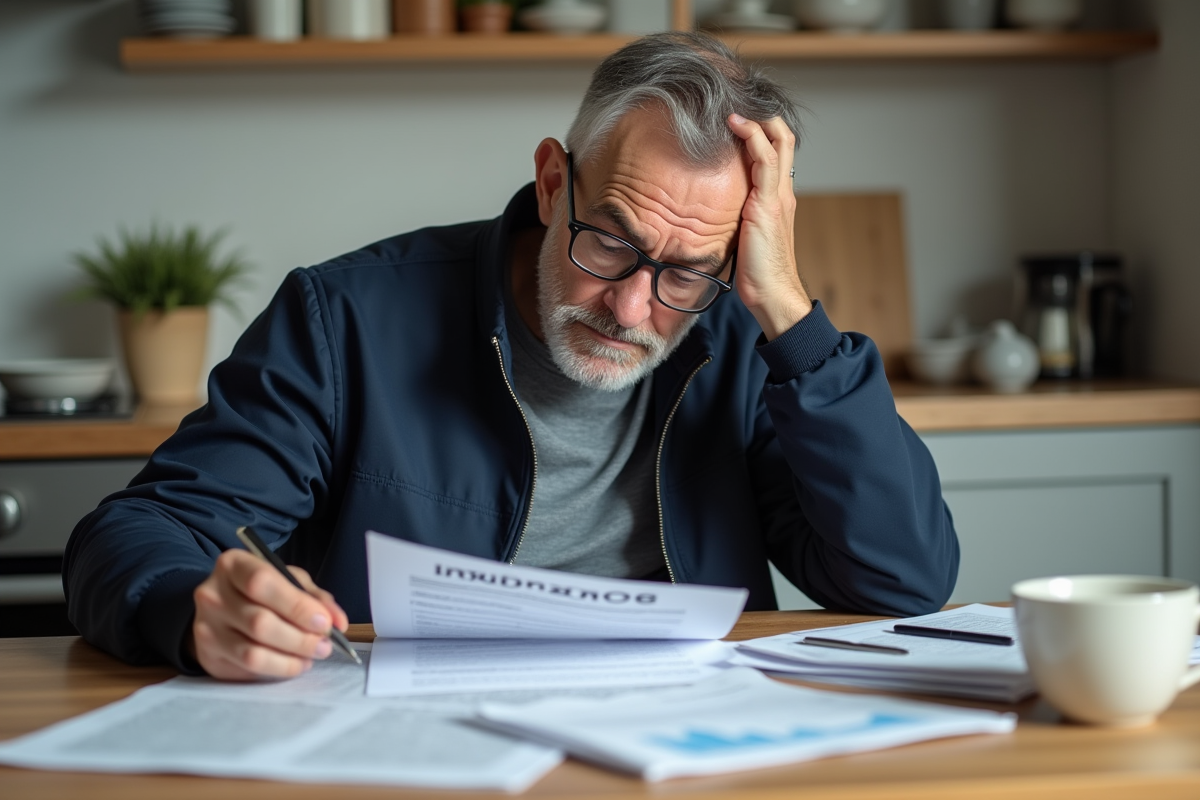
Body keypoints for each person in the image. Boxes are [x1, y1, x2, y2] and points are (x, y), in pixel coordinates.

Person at [65, 32, 959, 681]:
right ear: (552, 180)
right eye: (608, 243)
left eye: (687, 270)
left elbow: (901, 579)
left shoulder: (748, 344)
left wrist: (793, 319)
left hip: (680, 744)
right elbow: (133, 535)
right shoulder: (344, 317)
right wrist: (193, 612)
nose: (632, 306)